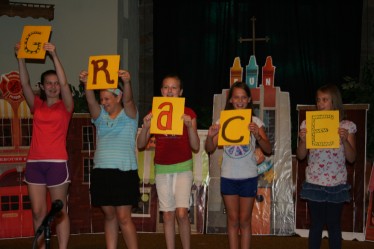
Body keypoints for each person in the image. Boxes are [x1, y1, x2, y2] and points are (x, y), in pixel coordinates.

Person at [15, 42, 73, 249]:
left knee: (60, 210)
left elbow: (66, 86)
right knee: (38, 212)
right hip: (35, 163)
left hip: (57, 163)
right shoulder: (36, 105)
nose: (53, 86)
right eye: (48, 83)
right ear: (42, 86)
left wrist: (54, 55)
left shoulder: (66, 106)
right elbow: (24, 84)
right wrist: (20, 57)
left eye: (56, 83)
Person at [205, 81, 272, 249]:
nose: (240, 101)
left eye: (243, 97)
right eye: (236, 97)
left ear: (249, 99)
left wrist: (257, 134)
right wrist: (210, 135)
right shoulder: (222, 120)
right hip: (228, 176)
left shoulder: (255, 121)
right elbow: (209, 148)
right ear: (230, 100)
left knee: (245, 221)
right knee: (233, 220)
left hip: (248, 177)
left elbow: (268, 149)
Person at [137, 74, 200, 249]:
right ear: (161, 91)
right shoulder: (154, 112)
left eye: (173, 88)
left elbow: (195, 146)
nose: (169, 91)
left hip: (183, 166)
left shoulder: (189, 113)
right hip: (162, 168)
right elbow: (141, 144)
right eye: (166, 87)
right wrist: (146, 128)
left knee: (181, 213)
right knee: (167, 215)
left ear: (180, 92)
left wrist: (189, 128)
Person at [79, 70, 139, 249]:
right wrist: (86, 83)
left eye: (107, 99)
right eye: (102, 99)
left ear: (118, 97)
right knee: (110, 215)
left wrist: (127, 82)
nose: (103, 103)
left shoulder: (130, 116)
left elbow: (129, 100)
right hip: (102, 172)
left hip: (124, 172)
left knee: (123, 217)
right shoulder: (100, 117)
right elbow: (90, 100)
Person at [296, 84, 356, 249]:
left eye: (324, 100)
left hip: (336, 183)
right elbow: (301, 156)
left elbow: (352, 158)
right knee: (316, 224)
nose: (320, 103)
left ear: (334, 102)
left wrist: (344, 140)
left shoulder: (346, 126)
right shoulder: (308, 124)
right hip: (315, 182)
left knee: (334, 224)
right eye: (318, 100)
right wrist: (303, 140)